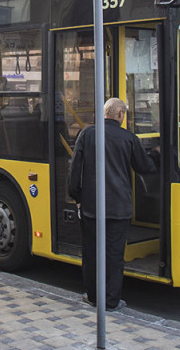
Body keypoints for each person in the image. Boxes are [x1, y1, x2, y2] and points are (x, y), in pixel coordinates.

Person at [68, 98, 157, 312]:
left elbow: (74, 170)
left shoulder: (87, 134)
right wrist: (155, 154)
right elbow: (145, 167)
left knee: (91, 253)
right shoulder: (129, 138)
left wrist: (77, 198)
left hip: (91, 207)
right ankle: (111, 301)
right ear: (120, 115)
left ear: (104, 113)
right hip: (119, 208)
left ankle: (92, 296)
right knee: (114, 256)